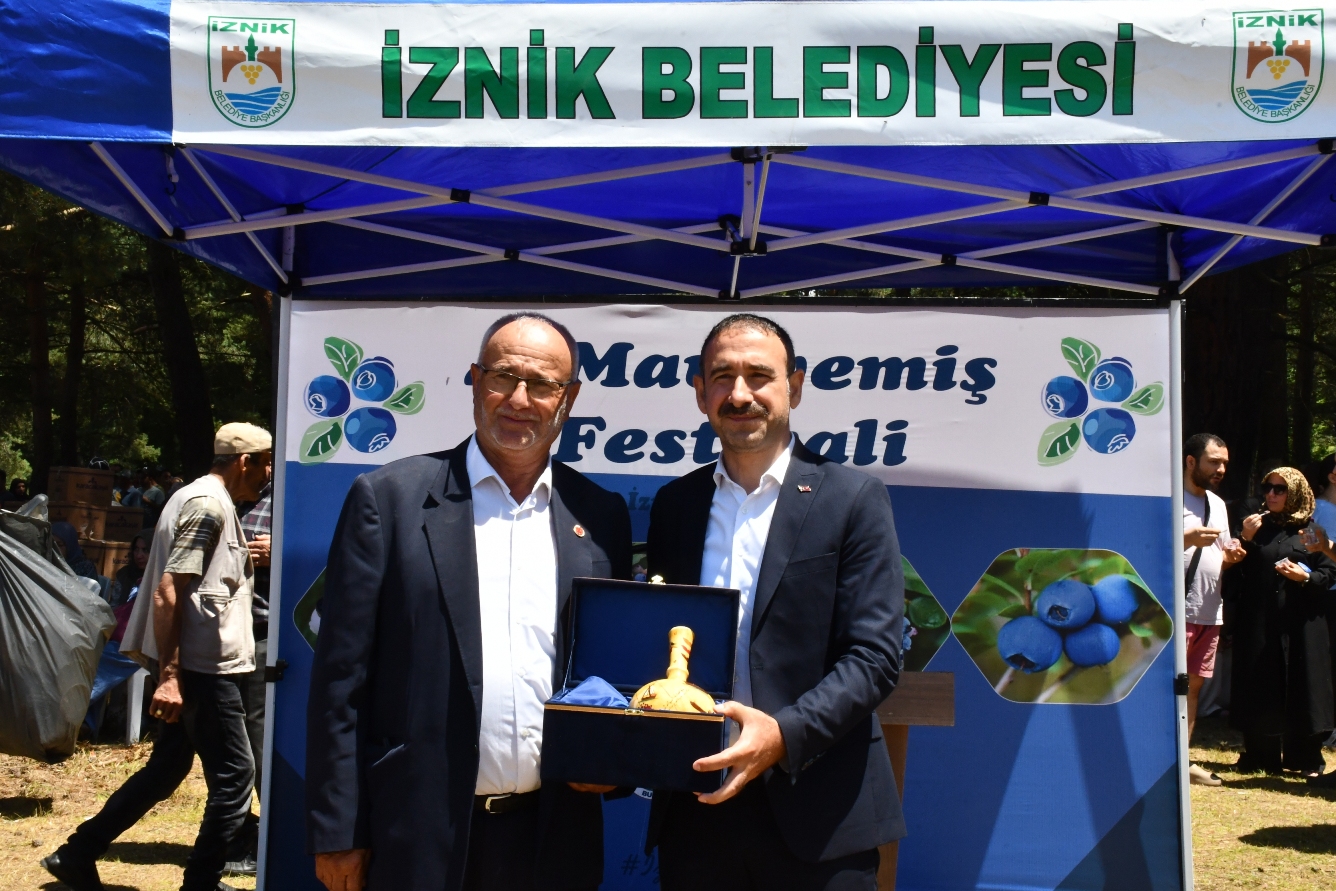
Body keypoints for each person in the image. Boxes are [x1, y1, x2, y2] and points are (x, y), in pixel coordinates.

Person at [306, 313, 632, 891]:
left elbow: (614, 672)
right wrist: (338, 831)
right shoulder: (389, 500)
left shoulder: (600, 514)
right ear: (477, 381)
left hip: (556, 836)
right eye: (504, 377)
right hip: (418, 833)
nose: (520, 400)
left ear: (569, 397)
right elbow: (340, 680)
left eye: (544, 384)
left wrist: (612, 760)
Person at [644, 313, 904, 891]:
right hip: (696, 805)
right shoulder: (675, 505)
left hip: (819, 813)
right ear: (700, 393)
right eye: (722, 377)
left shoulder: (852, 497)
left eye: (759, 376)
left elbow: (876, 656)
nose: (740, 394)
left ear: (796, 386)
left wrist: (783, 735)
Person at [42, 422, 273, 891]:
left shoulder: (198, 498)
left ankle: (76, 854)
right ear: (244, 461)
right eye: (265, 463)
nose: (269, 474)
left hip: (193, 664)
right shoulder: (208, 506)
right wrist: (171, 677)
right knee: (236, 777)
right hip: (202, 669)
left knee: (166, 769)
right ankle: (200, 883)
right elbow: (170, 591)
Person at [1230, 467, 1336, 778]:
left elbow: (1329, 572)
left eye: (1280, 489)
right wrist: (1245, 539)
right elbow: (1236, 570)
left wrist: (1305, 577)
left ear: (1296, 493)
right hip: (1261, 620)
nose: (1271, 494)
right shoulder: (1256, 527)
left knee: (1304, 684)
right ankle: (1261, 755)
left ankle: (1304, 756)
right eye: (1268, 488)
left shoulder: (1312, 531)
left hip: (1303, 622)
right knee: (1261, 682)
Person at [1181, 434, 1245, 786]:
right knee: (1165, 688)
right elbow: (1147, 547)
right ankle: (1155, 759)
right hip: (1175, 610)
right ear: (1191, 461)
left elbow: (1220, 557)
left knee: (1193, 689)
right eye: (1213, 462)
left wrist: (1232, 557)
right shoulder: (1168, 498)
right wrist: (1187, 539)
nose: (1220, 469)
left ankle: (1182, 761)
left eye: (1224, 463)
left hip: (1209, 610)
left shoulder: (1217, 504)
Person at [227, 480, 273, 876]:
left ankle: (269, 840)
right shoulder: (242, 500)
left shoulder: (294, 496)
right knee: (235, 742)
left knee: (258, 741)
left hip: (268, 635)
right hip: (233, 635)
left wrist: (281, 551)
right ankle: (243, 832)